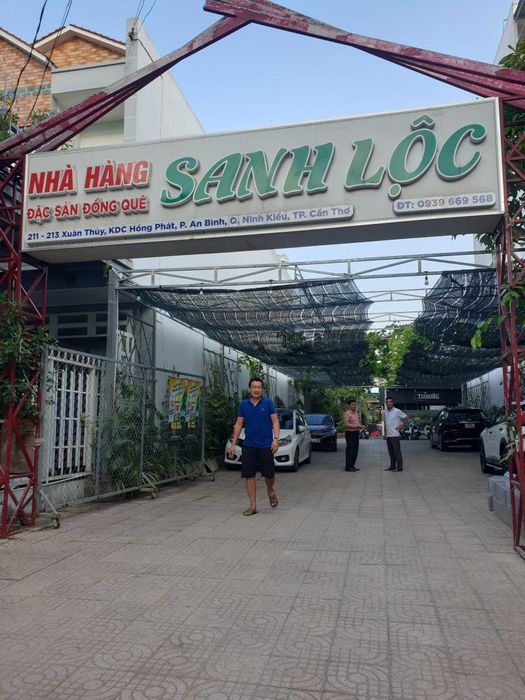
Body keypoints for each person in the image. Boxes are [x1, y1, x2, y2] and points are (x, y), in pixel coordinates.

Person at [228, 377, 280, 516]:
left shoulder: (268, 403)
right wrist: (233, 444)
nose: (256, 389)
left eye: (259, 387)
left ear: (262, 389)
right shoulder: (244, 405)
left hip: (266, 445)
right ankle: (252, 506)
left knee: (269, 474)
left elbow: (275, 422)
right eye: (254, 387)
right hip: (249, 445)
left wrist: (276, 439)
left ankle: (270, 491)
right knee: (249, 475)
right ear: (249, 389)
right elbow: (238, 424)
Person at [383, 397, 409, 472]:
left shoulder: (397, 411)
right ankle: (392, 466)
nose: (389, 403)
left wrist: (401, 427)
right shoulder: (385, 412)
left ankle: (399, 467)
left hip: (395, 434)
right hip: (388, 435)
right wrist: (385, 433)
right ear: (386, 403)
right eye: (387, 402)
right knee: (391, 452)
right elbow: (385, 423)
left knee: (397, 452)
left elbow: (406, 417)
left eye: (390, 402)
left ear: (393, 403)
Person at [343, 398, 364, 472]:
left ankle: (352, 466)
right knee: (350, 450)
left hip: (356, 433)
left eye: (355, 404)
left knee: (355, 450)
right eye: (352, 404)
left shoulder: (355, 413)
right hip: (350, 433)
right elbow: (346, 425)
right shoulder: (347, 413)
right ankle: (348, 467)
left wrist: (360, 426)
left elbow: (356, 422)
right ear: (349, 406)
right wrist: (357, 426)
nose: (354, 406)